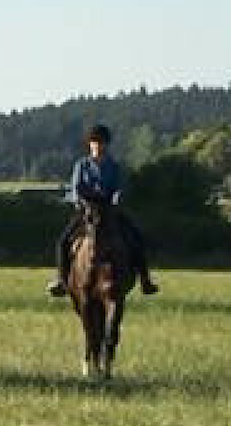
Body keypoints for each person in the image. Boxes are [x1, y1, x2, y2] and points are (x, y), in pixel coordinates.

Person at [49, 123, 160, 297]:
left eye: (102, 142)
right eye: (95, 142)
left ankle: (145, 280)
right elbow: (76, 188)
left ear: (107, 145)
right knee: (63, 242)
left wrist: (116, 200)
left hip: (109, 209)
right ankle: (62, 281)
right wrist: (82, 202)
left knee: (136, 236)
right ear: (90, 144)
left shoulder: (114, 166)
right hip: (87, 209)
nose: (99, 146)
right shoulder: (82, 165)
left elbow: (118, 187)